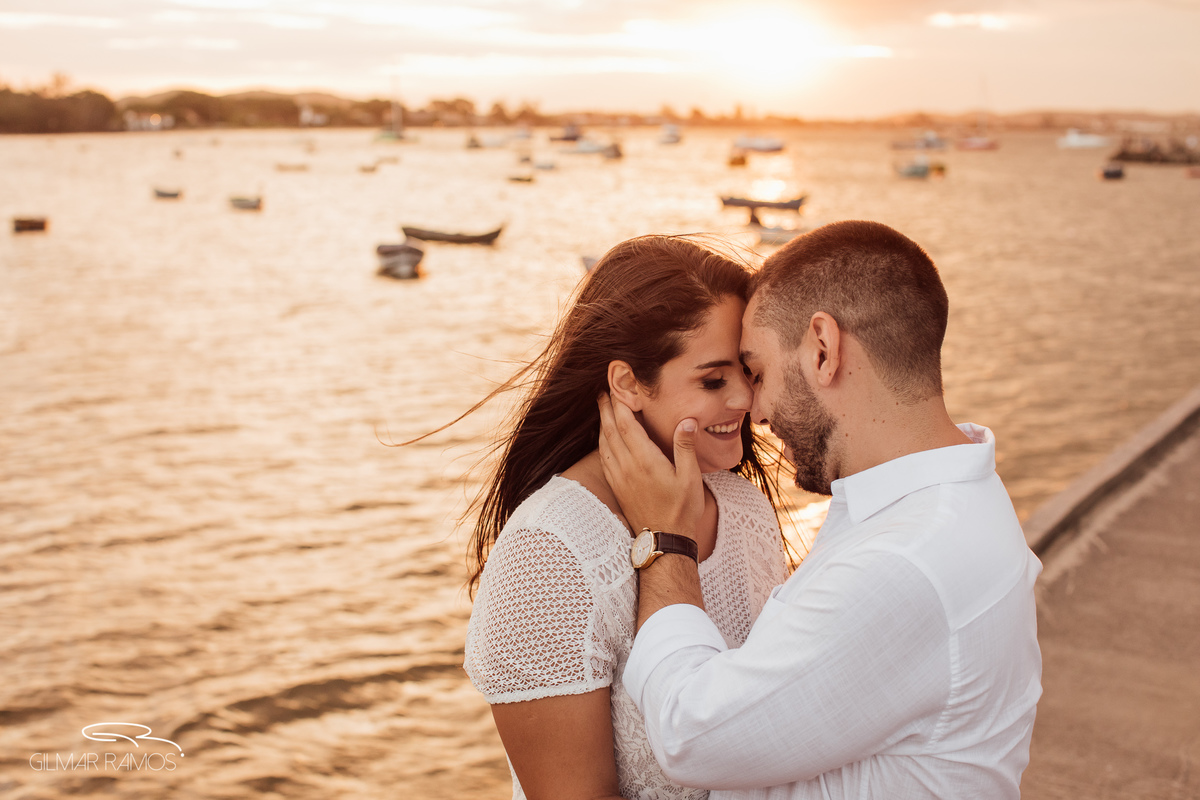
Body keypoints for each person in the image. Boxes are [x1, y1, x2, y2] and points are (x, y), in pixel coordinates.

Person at [597, 220, 1043, 799]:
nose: (753, 410)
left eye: (756, 371)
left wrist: (666, 540)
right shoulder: (949, 502)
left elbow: (689, 733)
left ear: (823, 349)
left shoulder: (905, 562)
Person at [461, 235, 794, 800]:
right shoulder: (547, 556)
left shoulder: (746, 510)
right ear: (627, 384)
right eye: (713, 380)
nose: (747, 400)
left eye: (746, 371)